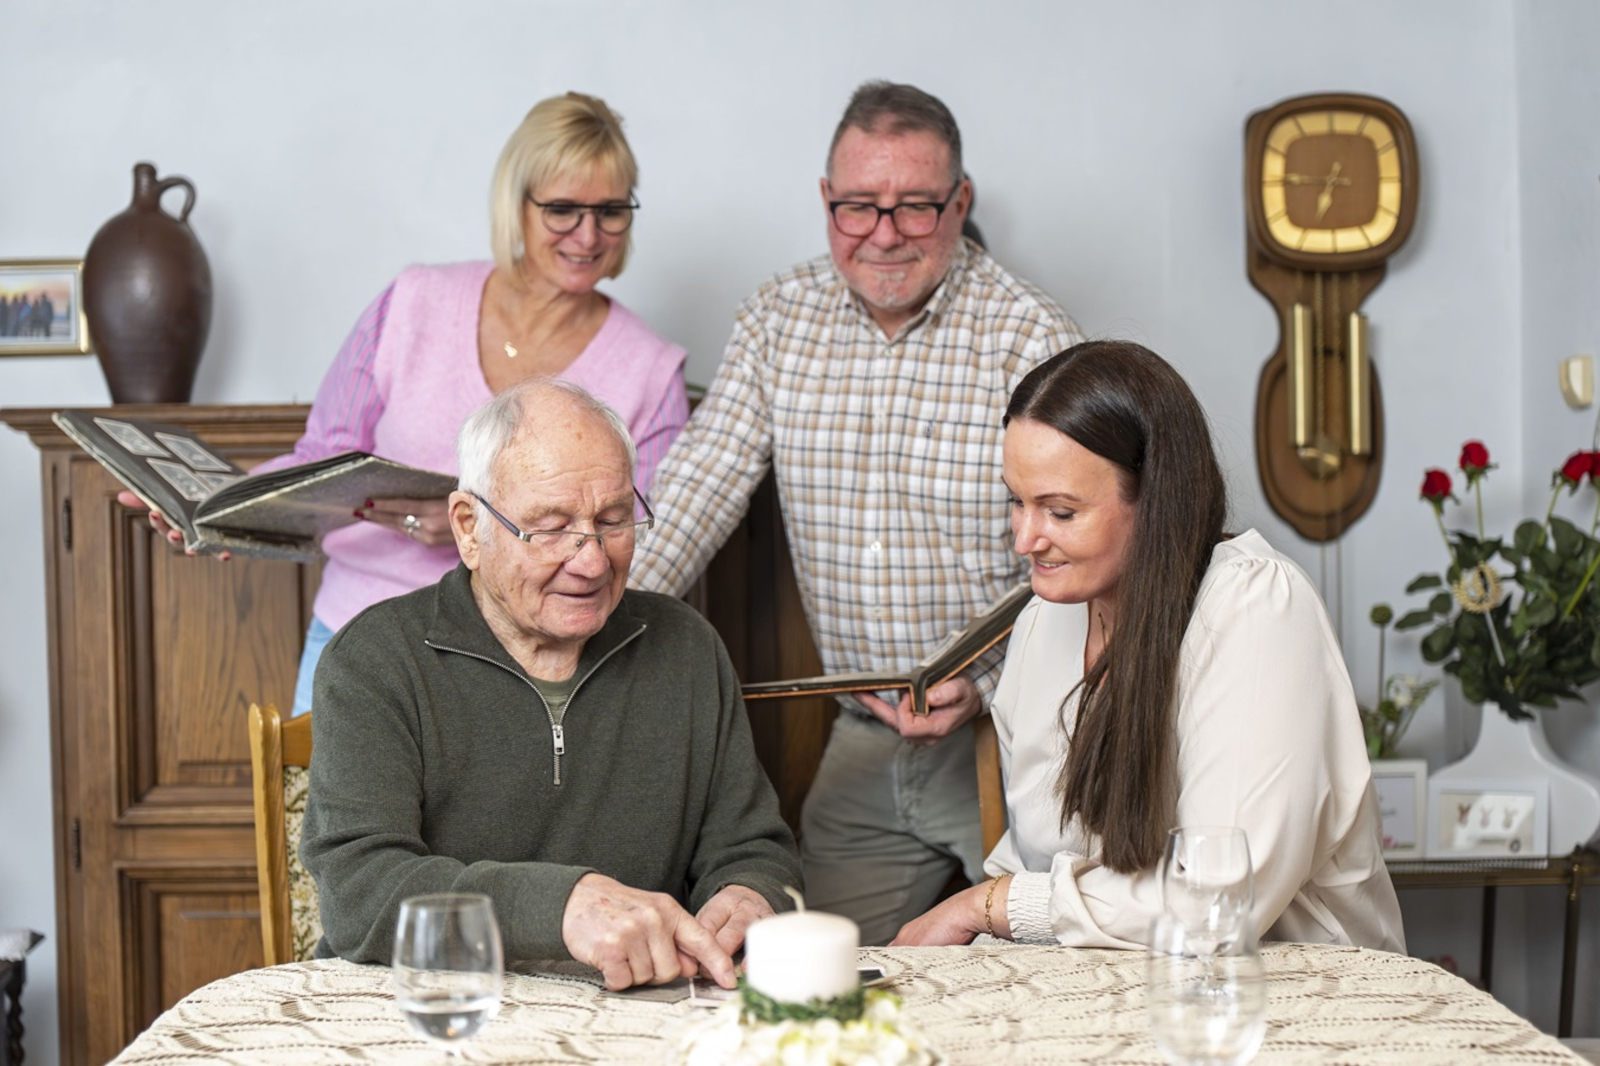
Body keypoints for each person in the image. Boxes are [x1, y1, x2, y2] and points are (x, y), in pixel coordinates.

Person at [628, 81, 1083, 945]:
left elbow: (1083, 551)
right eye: (857, 207)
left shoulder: (1031, 336)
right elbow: (693, 492)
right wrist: (586, 608)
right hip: (862, 740)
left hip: (1011, 732)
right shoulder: (778, 318)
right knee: (816, 974)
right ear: (825, 200)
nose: (883, 233)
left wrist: (985, 684)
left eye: (915, 206)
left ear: (961, 203)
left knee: (1060, 970)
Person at [126, 92, 689, 718]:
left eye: (611, 211)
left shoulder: (650, 369)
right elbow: (323, 453)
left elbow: (635, 548)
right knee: (321, 788)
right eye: (562, 209)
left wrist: (475, 536)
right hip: (356, 632)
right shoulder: (414, 301)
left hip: (532, 665)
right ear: (516, 202)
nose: (588, 235)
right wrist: (219, 512)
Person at [891, 340, 1405, 952]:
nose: (1026, 539)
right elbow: (1031, 870)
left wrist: (988, 905)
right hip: (1116, 987)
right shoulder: (1041, 624)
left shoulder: (1256, 607)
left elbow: (1216, 899)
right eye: (1017, 502)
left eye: (1061, 512)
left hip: (1284, 990)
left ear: (1156, 500)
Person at [301, 379, 801, 990]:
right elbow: (360, 892)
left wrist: (749, 895)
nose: (592, 561)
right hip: (425, 1010)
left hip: (634, 1014)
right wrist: (559, 908)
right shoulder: (375, 659)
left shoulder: (687, 647)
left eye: (613, 520)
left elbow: (753, 845)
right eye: (551, 527)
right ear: (469, 528)